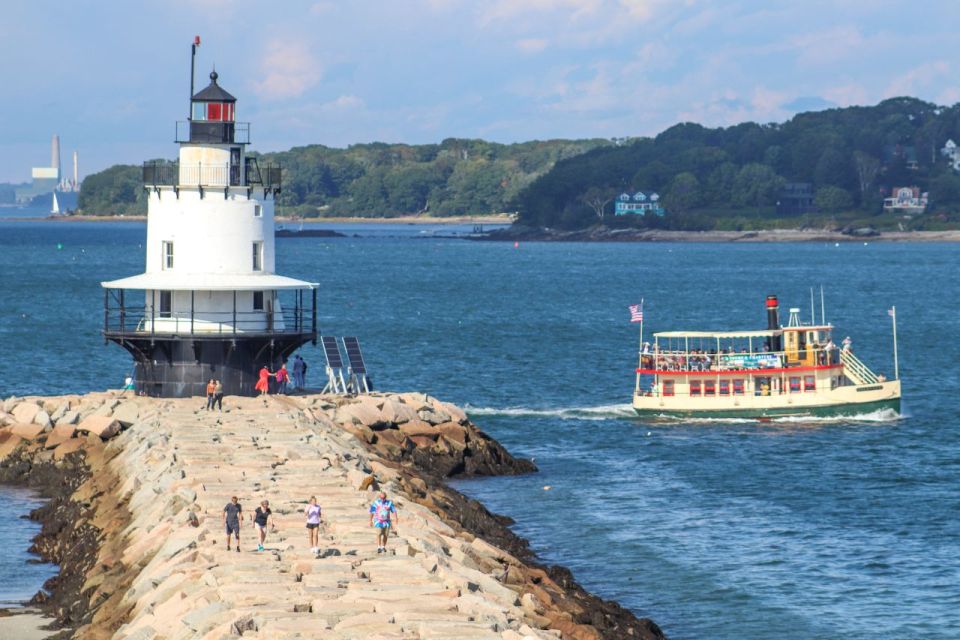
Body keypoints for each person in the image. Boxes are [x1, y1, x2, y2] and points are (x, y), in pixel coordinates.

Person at [369, 490, 398, 554]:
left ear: (386, 497)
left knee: (385, 535)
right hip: (378, 521)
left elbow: (394, 510)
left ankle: (383, 546)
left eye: (384, 497)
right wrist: (370, 520)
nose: (382, 499)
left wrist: (396, 518)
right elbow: (371, 512)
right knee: (379, 534)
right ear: (379, 497)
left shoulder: (389, 503)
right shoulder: (376, 503)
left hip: (387, 522)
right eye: (381, 498)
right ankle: (379, 547)